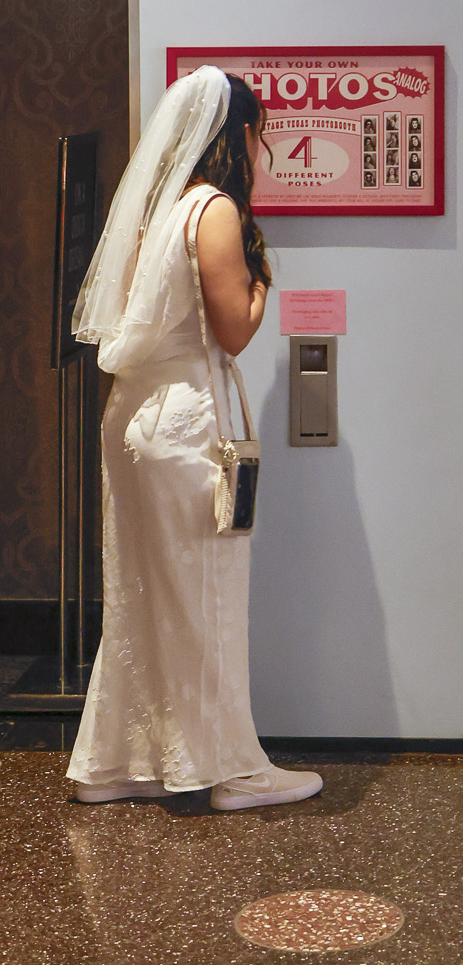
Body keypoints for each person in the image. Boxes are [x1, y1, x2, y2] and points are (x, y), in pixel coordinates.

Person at [66, 66, 322, 812]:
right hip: (186, 422)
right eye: (259, 137)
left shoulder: (156, 210)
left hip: (136, 415)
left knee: (140, 595)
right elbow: (234, 328)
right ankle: (234, 771)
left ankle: (115, 765)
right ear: (237, 137)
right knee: (206, 593)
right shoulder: (213, 211)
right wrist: (263, 273)